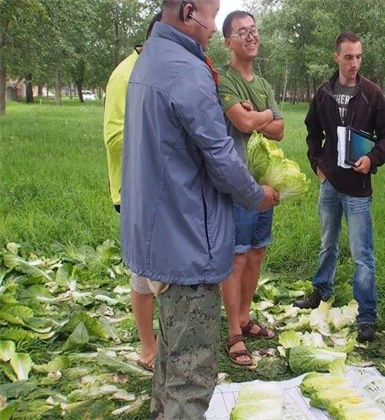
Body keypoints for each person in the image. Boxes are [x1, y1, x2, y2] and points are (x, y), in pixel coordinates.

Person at [120, 0, 279, 417]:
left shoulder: (151, 58)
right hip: (187, 238)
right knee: (193, 371)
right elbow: (222, 159)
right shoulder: (187, 71)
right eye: (213, 14)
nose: (212, 28)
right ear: (189, 11)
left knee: (173, 352)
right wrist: (256, 194)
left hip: (157, 233)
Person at [294, 31, 385, 343]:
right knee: (328, 243)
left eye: (359, 56)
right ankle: (321, 292)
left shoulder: (371, 93)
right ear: (336, 57)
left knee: (362, 253)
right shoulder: (324, 92)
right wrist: (316, 164)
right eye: (348, 56)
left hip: (357, 188)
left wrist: (372, 159)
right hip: (330, 185)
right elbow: (312, 131)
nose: (354, 63)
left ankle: (366, 316)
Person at [217, 10, 284, 366]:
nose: (251, 37)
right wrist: (263, 116)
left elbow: (280, 129)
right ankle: (233, 332)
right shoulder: (224, 78)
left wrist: (257, 117)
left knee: (257, 251)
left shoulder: (261, 83)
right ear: (228, 42)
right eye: (242, 32)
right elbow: (241, 121)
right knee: (237, 257)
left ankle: (244, 316)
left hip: (266, 182)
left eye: (254, 30)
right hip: (240, 183)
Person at [102, 11, 161, 373]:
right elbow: (114, 137)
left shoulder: (160, 70)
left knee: (164, 272)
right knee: (143, 273)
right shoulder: (127, 73)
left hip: (165, 191)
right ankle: (147, 346)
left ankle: (167, 340)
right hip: (136, 191)